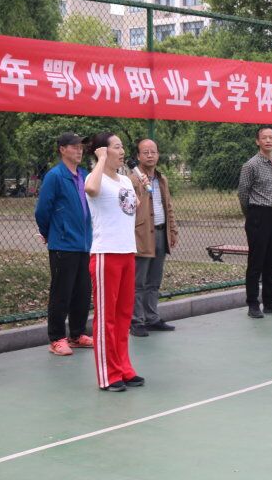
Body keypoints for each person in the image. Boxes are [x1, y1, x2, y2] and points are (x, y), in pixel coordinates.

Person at [84, 132, 142, 391]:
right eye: (116, 147)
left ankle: (124, 368)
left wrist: (138, 185)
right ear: (103, 151)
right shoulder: (94, 177)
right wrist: (100, 161)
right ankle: (108, 374)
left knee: (123, 315)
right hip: (105, 254)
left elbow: (133, 205)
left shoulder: (125, 180)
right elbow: (91, 190)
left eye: (122, 147)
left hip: (127, 252)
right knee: (106, 317)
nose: (122, 151)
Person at [34, 132, 94, 356]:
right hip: (63, 245)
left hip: (84, 244)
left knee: (82, 291)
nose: (79, 150)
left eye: (81, 147)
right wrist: (50, 233)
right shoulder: (55, 176)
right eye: (74, 146)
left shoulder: (85, 175)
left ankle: (77, 334)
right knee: (61, 292)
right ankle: (57, 338)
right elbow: (42, 210)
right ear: (62, 149)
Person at [237, 126, 272, 318]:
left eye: (271, 137)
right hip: (258, 214)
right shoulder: (250, 165)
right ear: (257, 141)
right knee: (256, 261)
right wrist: (251, 214)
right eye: (264, 138)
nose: (268, 140)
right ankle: (253, 303)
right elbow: (243, 193)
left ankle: (270, 301)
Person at [130, 138, 179, 337]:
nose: (150, 155)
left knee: (154, 280)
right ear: (138, 156)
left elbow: (168, 206)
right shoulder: (132, 180)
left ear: (158, 154)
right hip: (141, 235)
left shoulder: (161, 179)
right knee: (138, 281)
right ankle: (137, 321)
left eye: (153, 152)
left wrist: (172, 230)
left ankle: (152, 317)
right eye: (145, 152)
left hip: (161, 232)